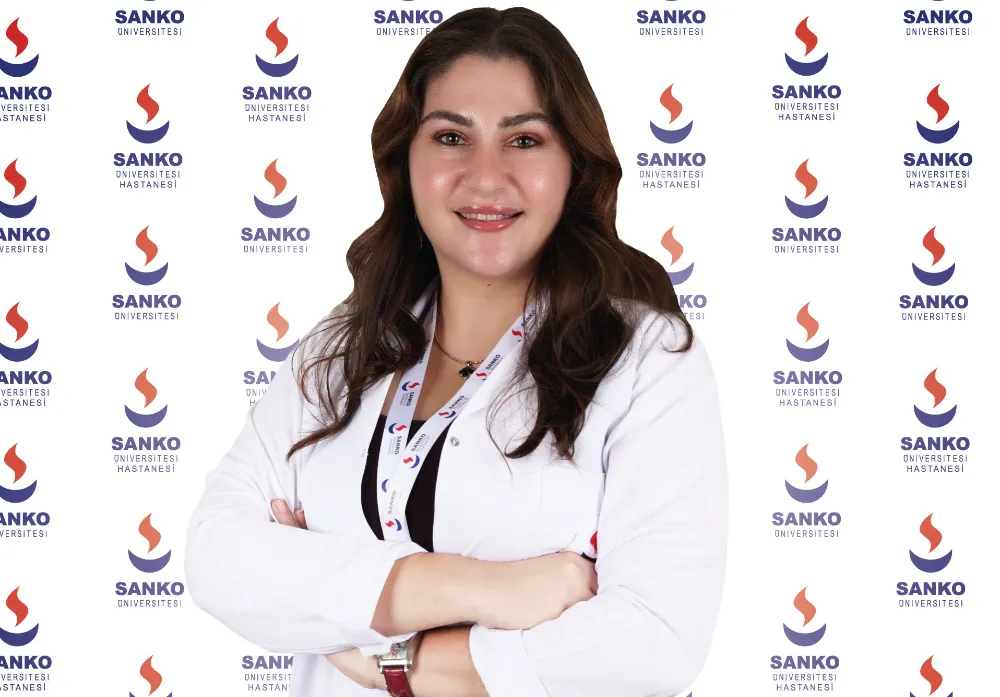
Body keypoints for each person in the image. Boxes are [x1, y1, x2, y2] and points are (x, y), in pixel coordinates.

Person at [184, 7, 728, 697]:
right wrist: (490, 589)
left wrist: (379, 652)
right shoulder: (342, 348)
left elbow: (655, 642)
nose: (486, 177)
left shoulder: (649, 361)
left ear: (574, 166)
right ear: (404, 162)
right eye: (450, 137)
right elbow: (216, 554)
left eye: (524, 140)